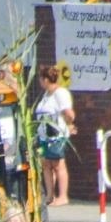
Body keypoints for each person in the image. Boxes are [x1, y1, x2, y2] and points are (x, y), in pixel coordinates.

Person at [34, 67, 74, 207]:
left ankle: (63, 196)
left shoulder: (60, 93)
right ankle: (50, 195)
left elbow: (68, 113)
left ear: (46, 80)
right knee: (46, 164)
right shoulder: (46, 94)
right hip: (44, 136)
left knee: (58, 164)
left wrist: (69, 124)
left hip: (56, 135)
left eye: (40, 79)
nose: (40, 82)